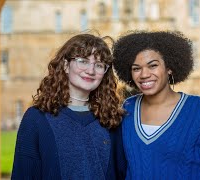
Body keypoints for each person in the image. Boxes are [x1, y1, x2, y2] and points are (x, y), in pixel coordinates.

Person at [112, 30, 200, 179]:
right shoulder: (127, 109)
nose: (144, 74)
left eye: (152, 66)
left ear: (169, 68)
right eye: (136, 68)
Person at [11, 33, 127, 179]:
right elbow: (23, 174)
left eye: (99, 65)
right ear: (66, 66)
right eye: (83, 61)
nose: (90, 71)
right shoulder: (37, 118)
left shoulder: (112, 119)